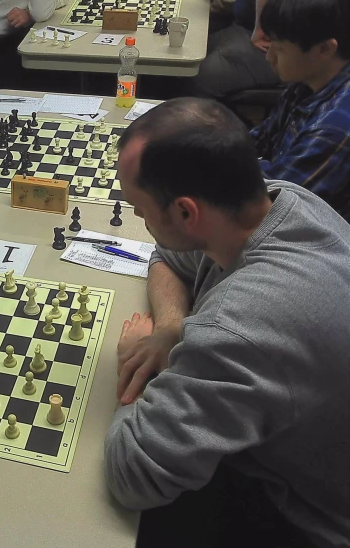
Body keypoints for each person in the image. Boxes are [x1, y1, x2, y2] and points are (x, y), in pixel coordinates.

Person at [106, 97, 350, 547]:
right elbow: (169, 255)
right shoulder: (280, 199)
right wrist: (170, 327)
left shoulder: (241, 329)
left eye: (140, 211)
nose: (140, 222)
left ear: (184, 212)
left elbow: (133, 473)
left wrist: (134, 382)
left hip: (311, 518)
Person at [250, 0, 350, 221]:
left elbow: (273, 199)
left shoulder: (334, 127)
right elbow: (262, 139)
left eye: (281, 49)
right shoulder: (307, 83)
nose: (269, 56)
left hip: (310, 235)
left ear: (324, 49)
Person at [184, 0, 279, 98]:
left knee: (202, 75)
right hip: (245, 28)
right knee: (185, 51)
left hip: (274, 44)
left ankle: (200, 112)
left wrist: (260, 28)